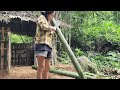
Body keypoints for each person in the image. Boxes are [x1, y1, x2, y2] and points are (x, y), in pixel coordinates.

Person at [35, 11, 56, 79]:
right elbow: (43, 27)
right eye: (52, 15)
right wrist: (52, 28)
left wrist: (52, 32)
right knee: (41, 67)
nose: (52, 17)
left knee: (47, 68)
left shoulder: (48, 22)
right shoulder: (41, 17)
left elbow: (48, 33)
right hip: (41, 44)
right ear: (48, 14)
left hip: (48, 46)